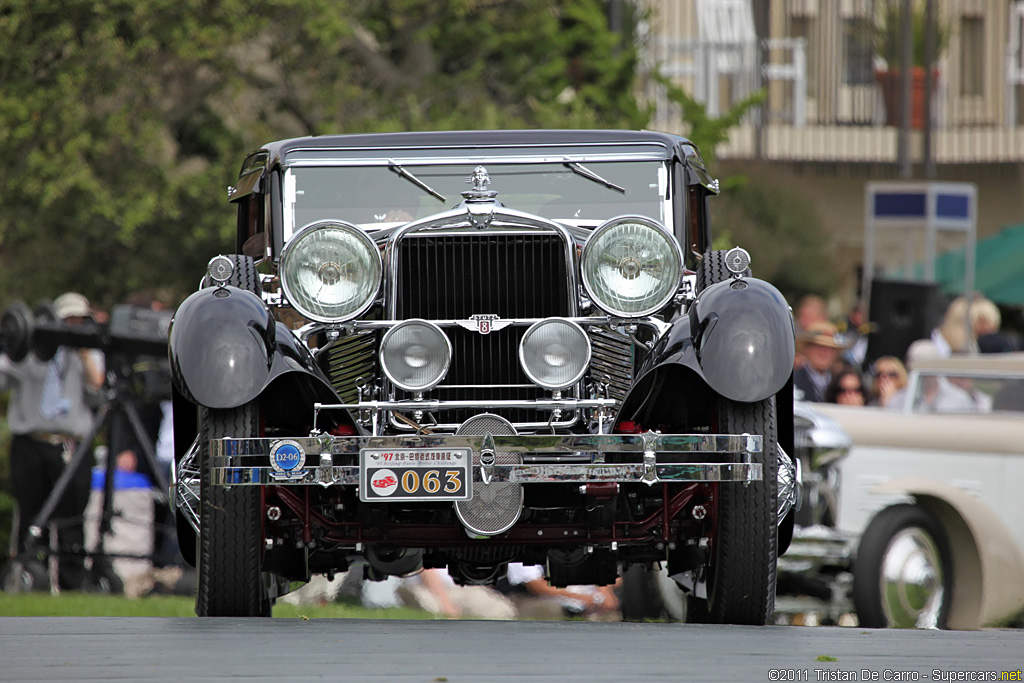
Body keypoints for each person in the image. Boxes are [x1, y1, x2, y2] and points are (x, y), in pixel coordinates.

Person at [0, 292, 105, 589]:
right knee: (32, 515)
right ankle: (31, 576)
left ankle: (73, 581)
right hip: (32, 442)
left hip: (71, 445)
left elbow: (99, 389)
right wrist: (19, 344)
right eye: (67, 319)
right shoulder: (29, 349)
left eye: (78, 320)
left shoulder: (89, 352)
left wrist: (84, 353)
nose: (72, 324)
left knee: (73, 517)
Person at [503, 563, 621, 621]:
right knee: (550, 609)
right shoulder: (527, 545)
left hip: (587, 601)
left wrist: (604, 592)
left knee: (611, 615)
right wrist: (586, 599)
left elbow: (616, 578)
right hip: (539, 599)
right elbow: (536, 586)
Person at [887, 339, 975, 413]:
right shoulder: (899, 399)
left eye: (928, 366)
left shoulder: (959, 398)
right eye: (918, 368)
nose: (925, 373)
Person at [793, 321, 848, 403]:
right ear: (806, 349)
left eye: (831, 348)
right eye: (819, 347)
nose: (824, 353)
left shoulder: (844, 383)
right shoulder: (794, 380)